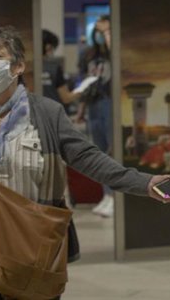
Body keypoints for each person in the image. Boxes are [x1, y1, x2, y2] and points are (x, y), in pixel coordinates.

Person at [0, 26, 170, 300]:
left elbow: (88, 157)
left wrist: (144, 183)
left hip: (30, 251)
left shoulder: (46, 114)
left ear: (18, 67)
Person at [77, 15, 114, 217]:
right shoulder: (88, 54)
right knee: (99, 150)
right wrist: (81, 108)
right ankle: (106, 194)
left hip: (110, 100)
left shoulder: (112, 52)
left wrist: (109, 33)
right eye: (98, 31)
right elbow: (85, 82)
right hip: (93, 103)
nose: (101, 35)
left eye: (105, 31)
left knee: (111, 149)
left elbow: (116, 57)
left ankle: (115, 195)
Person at [42, 29, 80, 106]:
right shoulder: (54, 67)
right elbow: (66, 98)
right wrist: (82, 92)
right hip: (51, 113)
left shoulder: (26, 67)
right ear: (48, 47)